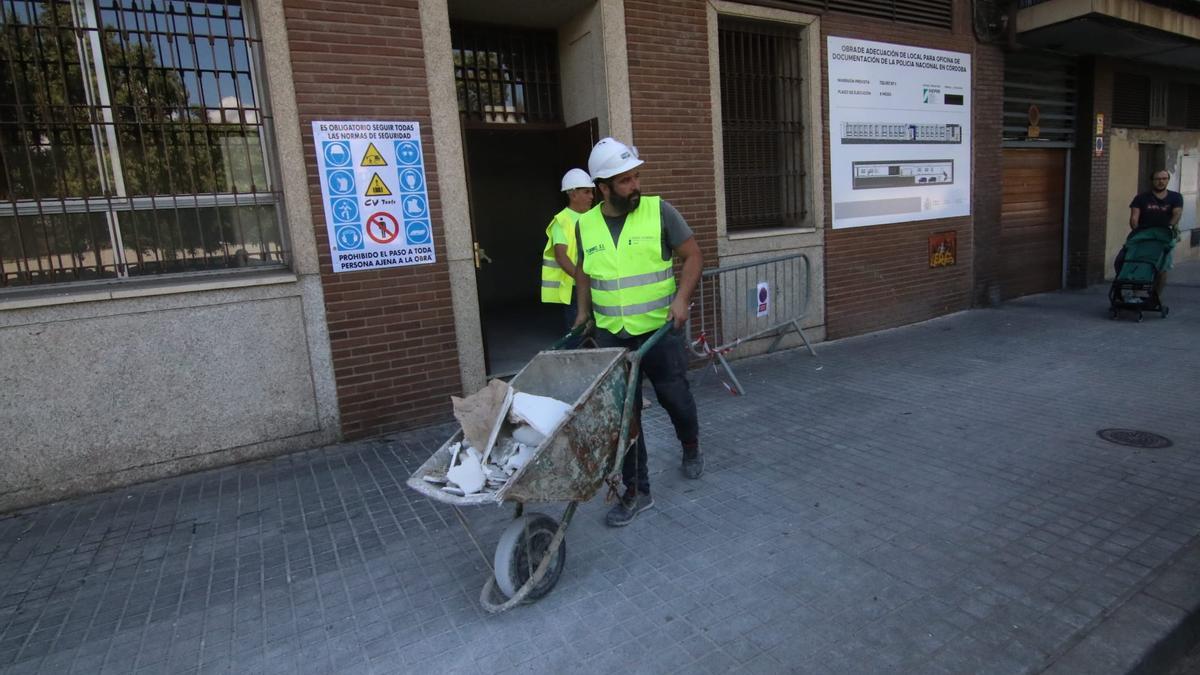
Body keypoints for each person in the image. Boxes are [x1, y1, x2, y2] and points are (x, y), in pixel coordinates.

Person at [572, 137, 704, 527]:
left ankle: (691, 446)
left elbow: (693, 255)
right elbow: (583, 270)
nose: (635, 186)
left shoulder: (658, 211)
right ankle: (637, 491)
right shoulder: (586, 224)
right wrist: (583, 313)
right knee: (624, 417)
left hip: (660, 332)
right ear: (603, 188)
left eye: (635, 177)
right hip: (614, 334)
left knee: (675, 398)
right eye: (625, 181)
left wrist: (681, 299)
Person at [541, 168, 594, 332]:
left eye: (591, 192)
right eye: (586, 192)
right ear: (573, 194)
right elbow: (561, 256)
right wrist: (582, 280)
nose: (591, 197)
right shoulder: (562, 221)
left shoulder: (593, 217)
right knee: (577, 334)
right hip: (575, 288)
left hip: (595, 284)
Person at [1126, 169, 1183, 297]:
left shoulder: (1175, 197)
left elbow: (1177, 213)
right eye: (1157, 179)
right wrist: (1135, 226)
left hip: (1165, 236)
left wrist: (1170, 226)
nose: (1161, 181)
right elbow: (1134, 216)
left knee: (1162, 268)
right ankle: (1137, 295)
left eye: (1164, 179)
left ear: (1168, 180)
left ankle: (1157, 296)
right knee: (1137, 264)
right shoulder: (1141, 198)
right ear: (1152, 181)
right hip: (1144, 236)